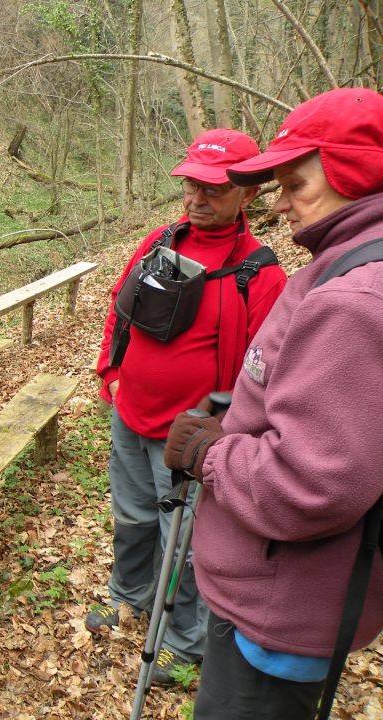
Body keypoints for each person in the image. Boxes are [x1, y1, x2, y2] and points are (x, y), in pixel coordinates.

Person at [165, 88, 383, 719]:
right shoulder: (344, 266)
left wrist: (212, 452)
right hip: (285, 593)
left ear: (357, 173)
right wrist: (237, 417)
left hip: (277, 610)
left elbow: (312, 481)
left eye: (297, 182)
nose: (281, 202)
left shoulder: (354, 298)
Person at [90, 128, 287, 684]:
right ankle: (127, 596)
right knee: (131, 516)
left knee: (190, 546)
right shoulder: (162, 240)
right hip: (131, 415)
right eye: (190, 187)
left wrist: (226, 432)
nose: (196, 200)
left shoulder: (260, 274)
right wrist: (112, 371)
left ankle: (183, 641)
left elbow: (269, 371)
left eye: (213, 190)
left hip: (195, 439)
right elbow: (120, 305)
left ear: (248, 193)